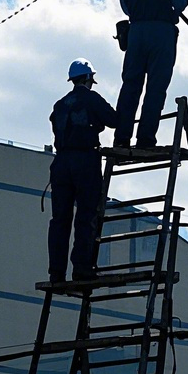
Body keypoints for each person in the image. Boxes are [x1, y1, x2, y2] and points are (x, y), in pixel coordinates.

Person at [113, 0, 188, 149]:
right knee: (156, 88)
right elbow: (181, 2)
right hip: (162, 33)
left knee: (130, 87)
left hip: (136, 33)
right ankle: (145, 139)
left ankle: (121, 138)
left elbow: (126, 7)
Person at [48, 59, 119, 284]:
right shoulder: (91, 98)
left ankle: (56, 272)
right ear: (89, 78)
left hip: (61, 164)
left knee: (60, 220)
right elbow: (113, 119)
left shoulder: (59, 105)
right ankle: (81, 267)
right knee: (86, 214)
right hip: (84, 161)